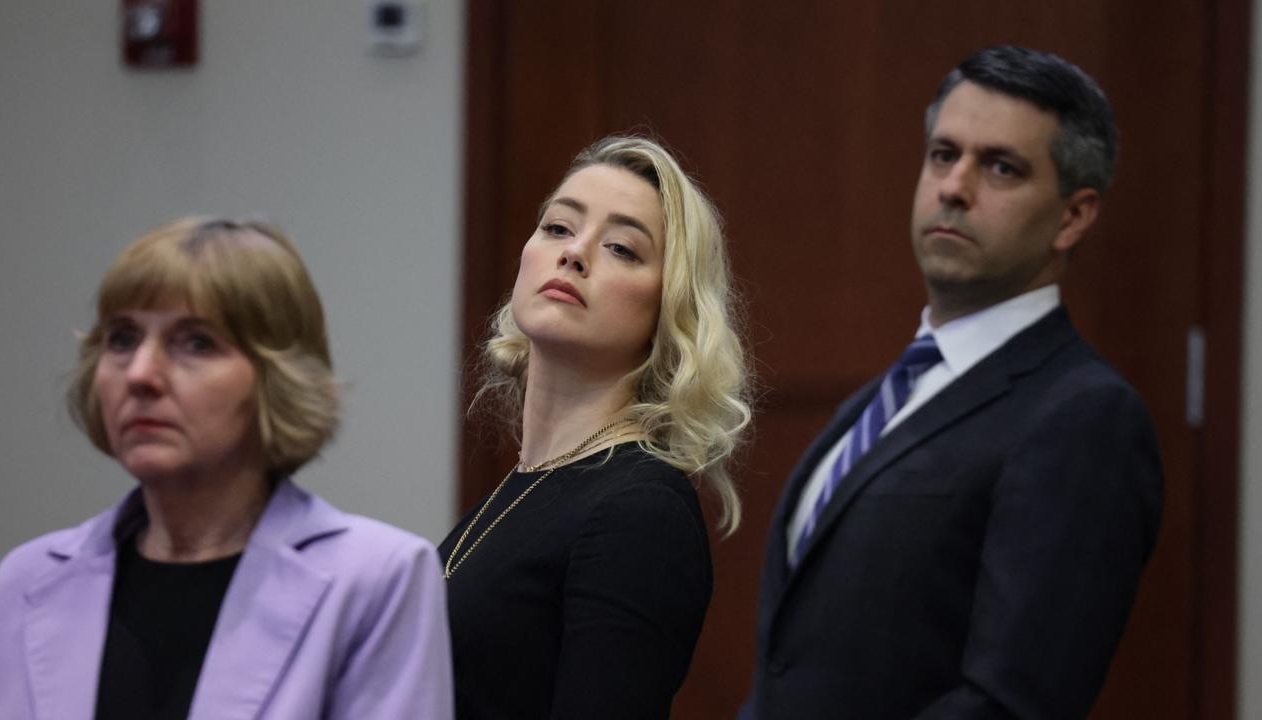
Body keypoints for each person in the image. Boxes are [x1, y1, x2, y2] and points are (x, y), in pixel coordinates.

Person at [741, 46, 1163, 719]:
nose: (955, 187)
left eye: (1001, 167)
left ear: (1073, 216)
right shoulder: (882, 399)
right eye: (943, 154)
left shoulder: (1084, 416)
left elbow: (1014, 702)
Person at [0, 217, 453, 720]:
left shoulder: (375, 579)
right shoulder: (22, 582)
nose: (141, 374)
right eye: (122, 339)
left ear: (277, 377)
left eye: (196, 343)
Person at [440, 135, 752, 719]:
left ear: (669, 309)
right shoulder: (523, 487)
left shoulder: (639, 510)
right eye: (558, 227)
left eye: (621, 248)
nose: (575, 252)